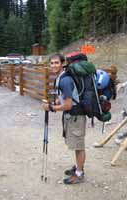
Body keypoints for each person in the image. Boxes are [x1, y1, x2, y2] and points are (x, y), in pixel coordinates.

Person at [42, 53, 86, 185]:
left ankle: (79, 173)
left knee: (78, 146)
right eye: (52, 63)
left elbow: (67, 104)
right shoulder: (60, 78)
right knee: (76, 144)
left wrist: (50, 108)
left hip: (76, 116)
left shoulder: (65, 80)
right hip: (72, 116)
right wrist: (52, 104)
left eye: (56, 63)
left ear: (62, 64)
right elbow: (62, 99)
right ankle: (78, 167)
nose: (54, 65)